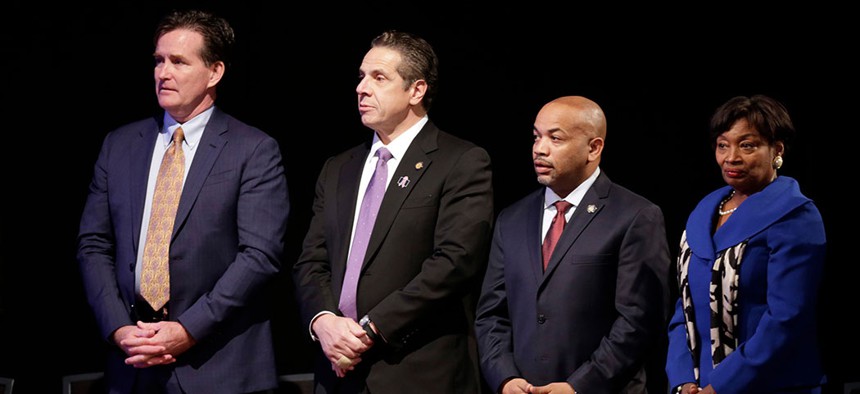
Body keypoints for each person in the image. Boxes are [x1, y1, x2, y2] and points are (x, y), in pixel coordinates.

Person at [76, 9, 289, 393]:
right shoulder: (120, 145)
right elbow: (94, 244)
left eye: (178, 61)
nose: (163, 73)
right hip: (133, 363)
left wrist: (189, 328)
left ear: (215, 72)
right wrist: (118, 328)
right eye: (158, 60)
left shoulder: (253, 149)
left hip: (219, 365)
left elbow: (259, 255)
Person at [292, 30, 494, 393]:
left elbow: (455, 262)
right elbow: (312, 260)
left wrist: (371, 329)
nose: (361, 88)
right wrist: (323, 322)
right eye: (361, 76)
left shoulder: (460, 161)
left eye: (378, 78)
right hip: (337, 370)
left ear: (416, 91)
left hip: (416, 371)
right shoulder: (339, 168)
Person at [475, 96, 672, 394]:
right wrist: (504, 378)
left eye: (555, 138)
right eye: (536, 137)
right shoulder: (511, 219)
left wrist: (579, 386)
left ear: (593, 148)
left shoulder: (635, 216)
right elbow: (491, 313)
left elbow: (640, 321)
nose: (540, 149)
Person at [666, 95, 827, 394]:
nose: (731, 157)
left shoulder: (795, 215)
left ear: (777, 149)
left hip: (769, 384)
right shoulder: (704, 211)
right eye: (723, 144)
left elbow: (786, 318)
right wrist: (682, 378)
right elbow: (685, 304)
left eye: (747, 145)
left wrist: (721, 385)